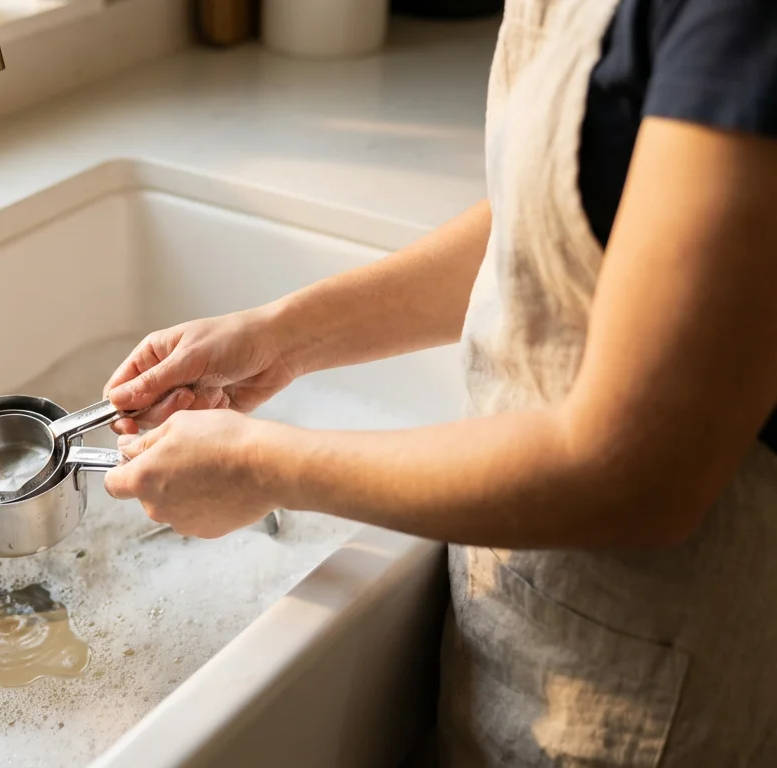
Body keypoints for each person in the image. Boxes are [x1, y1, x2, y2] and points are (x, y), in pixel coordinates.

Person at [99, 1, 777, 764]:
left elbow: (640, 474)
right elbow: (562, 208)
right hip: (536, 636)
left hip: (654, 695)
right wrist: (280, 336)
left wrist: (260, 468)